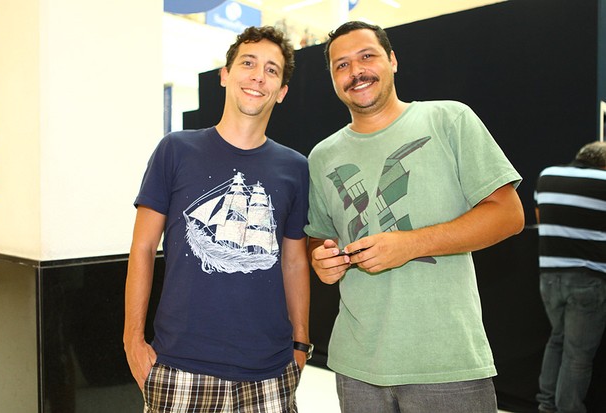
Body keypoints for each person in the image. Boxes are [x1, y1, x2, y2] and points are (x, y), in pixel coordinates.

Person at [305, 21, 525, 412]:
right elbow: (318, 237)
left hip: (446, 364)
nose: (355, 71)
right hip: (356, 366)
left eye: (367, 56)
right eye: (341, 65)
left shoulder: (449, 120)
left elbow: (508, 214)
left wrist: (409, 244)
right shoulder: (322, 156)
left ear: (392, 61)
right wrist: (319, 259)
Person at [124, 26, 312, 413]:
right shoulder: (175, 149)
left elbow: (294, 261)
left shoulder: (295, 167)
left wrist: (299, 344)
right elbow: (142, 248)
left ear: (282, 92)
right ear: (225, 75)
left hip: (270, 371)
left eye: (272, 70)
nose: (258, 76)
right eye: (248, 63)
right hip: (180, 366)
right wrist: (132, 340)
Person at [534, 141, 606, 413]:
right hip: (588, 278)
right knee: (578, 355)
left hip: (549, 277)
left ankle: (546, 405)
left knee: (557, 340)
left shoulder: (547, 176)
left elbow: (540, 219)